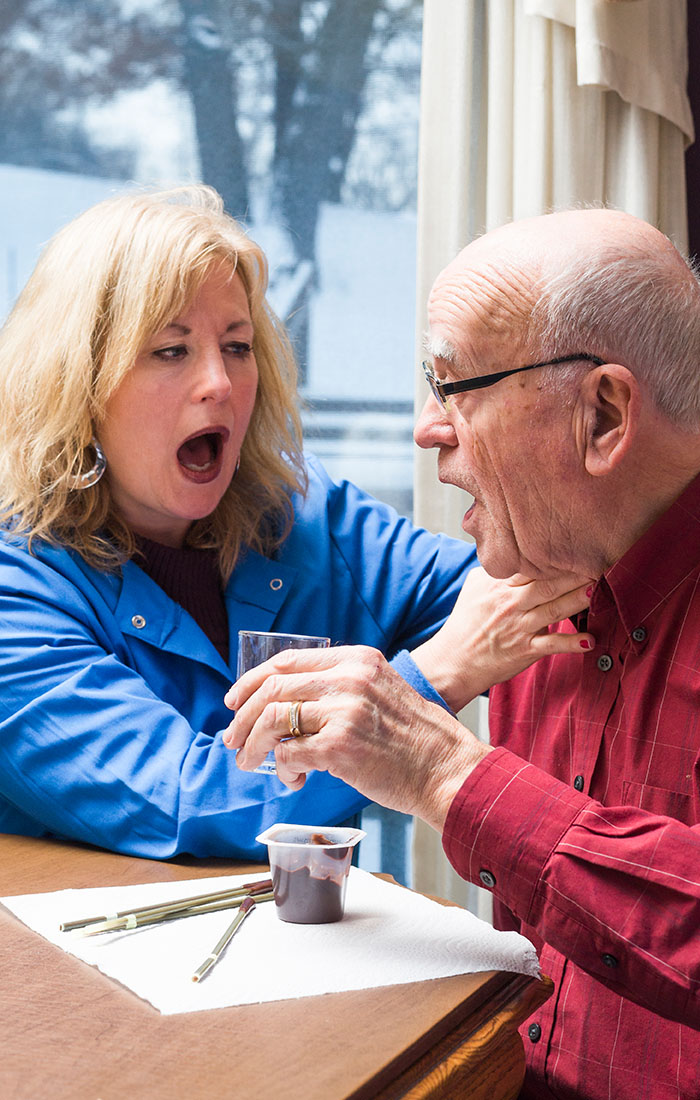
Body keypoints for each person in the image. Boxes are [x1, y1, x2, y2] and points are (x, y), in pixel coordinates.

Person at [228, 207, 700, 1099]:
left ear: (603, 414)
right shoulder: (535, 597)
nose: (425, 429)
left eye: (454, 388)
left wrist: (443, 770)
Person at [0, 185, 592, 862]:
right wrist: (436, 676)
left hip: (312, 949)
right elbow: (190, 803)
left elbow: (514, 599)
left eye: (238, 346)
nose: (219, 383)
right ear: (78, 383)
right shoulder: (17, 590)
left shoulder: (305, 516)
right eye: (171, 351)